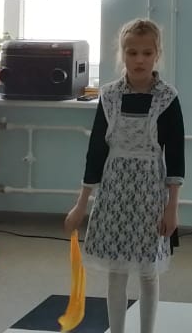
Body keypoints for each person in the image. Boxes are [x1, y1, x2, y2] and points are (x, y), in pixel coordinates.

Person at [64, 19, 184, 333]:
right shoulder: (109, 96)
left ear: (157, 55)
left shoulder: (168, 98)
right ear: (122, 54)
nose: (139, 60)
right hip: (114, 191)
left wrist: (172, 207)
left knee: (147, 272)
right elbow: (95, 152)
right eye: (132, 53)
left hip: (150, 193)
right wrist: (82, 203)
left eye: (147, 53)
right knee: (116, 273)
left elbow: (176, 157)